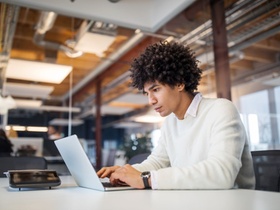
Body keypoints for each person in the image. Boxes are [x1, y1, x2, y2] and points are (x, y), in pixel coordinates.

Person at [97, 41, 255, 190]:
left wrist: (146, 179)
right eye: (147, 93)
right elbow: (157, 163)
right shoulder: (170, 123)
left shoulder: (221, 110)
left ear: (179, 83)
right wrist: (124, 172)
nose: (151, 100)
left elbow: (222, 173)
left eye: (156, 89)